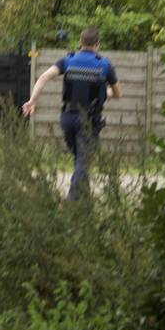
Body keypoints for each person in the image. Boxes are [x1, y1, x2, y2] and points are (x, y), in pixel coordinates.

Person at [21, 27, 122, 200]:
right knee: (83, 161)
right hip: (89, 121)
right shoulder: (105, 64)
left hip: (67, 118)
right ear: (97, 44)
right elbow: (118, 94)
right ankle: (72, 201)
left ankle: (85, 200)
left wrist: (32, 100)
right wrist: (102, 93)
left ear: (80, 43)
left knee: (80, 160)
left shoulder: (67, 60)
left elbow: (44, 77)